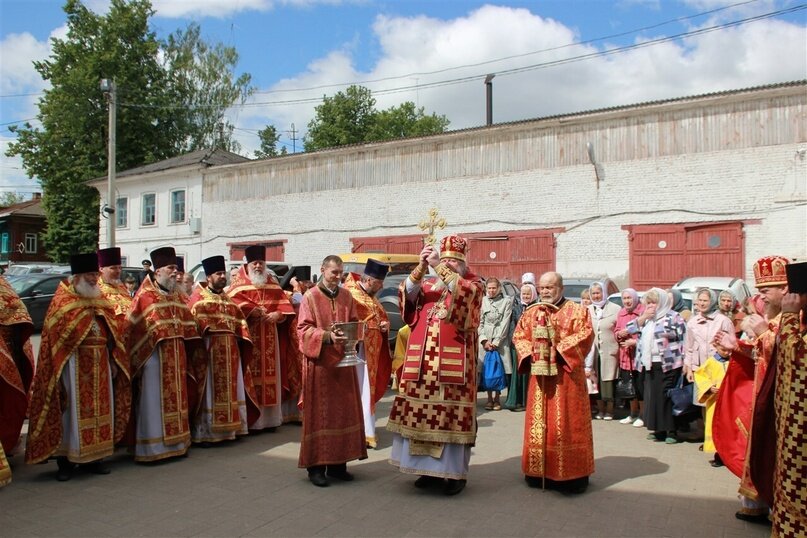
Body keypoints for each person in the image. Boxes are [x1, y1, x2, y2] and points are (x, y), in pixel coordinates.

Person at [387, 236, 484, 496]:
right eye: (446, 259)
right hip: (420, 366)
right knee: (419, 418)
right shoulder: (429, 283)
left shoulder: (473, 284)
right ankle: (425, 471)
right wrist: (420, 268)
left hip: (453, 370)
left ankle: (454, 475)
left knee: (448, 420)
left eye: (453, 260)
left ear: (463, 263)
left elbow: (465, 298)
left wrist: (439, 265)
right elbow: (406, 298)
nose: (448, 264)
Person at [25, 253, 130, 481]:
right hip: (72, 365)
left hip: (100, 363)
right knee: (70, 411)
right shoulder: (64, 300)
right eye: (89, 275)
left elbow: (113, 332)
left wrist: (113, 358)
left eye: (95, 274)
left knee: (101, 409)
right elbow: (56, 337)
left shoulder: (100, 299)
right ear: (77, 277)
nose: (94, 279)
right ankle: (65, 462)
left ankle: (95, 459)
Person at [512, 271, 594, 493]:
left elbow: (585, 335)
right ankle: (537, 472)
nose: (546, 291)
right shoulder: (531, 312)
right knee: (539, 424)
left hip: (566, 381)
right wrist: (534, 354)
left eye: (550, 287)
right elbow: (519, 336)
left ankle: (571, 477)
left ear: (561, 288)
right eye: (543, 287)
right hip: (539, 382)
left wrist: (556, 352)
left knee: (568, 425)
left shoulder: (578, 311)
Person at [126, 247, 202, 462]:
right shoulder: (145, 296)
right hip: (153, 358)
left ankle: (178, 443)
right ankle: (153, 448)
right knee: (153, 402)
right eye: (171, 268)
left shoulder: (177, 295)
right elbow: (132, 329)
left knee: (178, 399)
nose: (175, 273)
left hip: (177, 357)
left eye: (176, 268)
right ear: (157, 271)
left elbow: (188, 323)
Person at [296, 255, 366, 487]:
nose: (338, 277)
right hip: (320, 366)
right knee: (320, 416)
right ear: (323, 270)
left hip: (343, 365)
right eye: (334, 272)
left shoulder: (347, 296)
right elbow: (302, 330)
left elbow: (354, 322)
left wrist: (354, 336)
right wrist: (325, 336)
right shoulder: (310, 297)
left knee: (343, 413)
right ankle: (316, 468)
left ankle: (338, 465)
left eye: (341, 273)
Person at [228, 246, 301, 431]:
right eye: (255, 263)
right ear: (248, 264)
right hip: (250, 339)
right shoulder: (239, 284)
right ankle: (254, 422)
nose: (258, 266)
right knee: (250, 375)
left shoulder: (272, 283)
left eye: (261, 263)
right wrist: (251, 310)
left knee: (272, 375)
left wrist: (278, 315)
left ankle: (270, 421)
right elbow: (232, 304)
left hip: (270, 337)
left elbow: (285, 308)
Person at [187, 255, 256, 446]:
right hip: (209, 352)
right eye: (218, 274)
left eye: (223, 274)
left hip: (231, 351)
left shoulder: (228, 300)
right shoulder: (198, 299)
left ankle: (231, 430)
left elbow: (240, 322)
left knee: (231, 389)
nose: (223, 277)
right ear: (208, 277)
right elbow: (193, 325)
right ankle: (208, 433)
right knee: (210, 392)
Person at [768, 262, 806, 536]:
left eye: (795, 294)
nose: (790, 299)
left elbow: (799, 363)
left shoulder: (794, 320)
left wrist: (789, 317)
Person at [343, 259, 392, 449]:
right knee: (356, 392)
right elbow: (346, 322)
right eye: (379, 283)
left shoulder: (372, 298)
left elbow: (382, 319)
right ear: (370, 280)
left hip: (370, 355)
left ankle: (366, 432)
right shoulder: (350, 295)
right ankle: (356, 432)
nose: (382, 287)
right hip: (356, 355)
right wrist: (371, 326)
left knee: (366, 393)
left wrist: (384, 327)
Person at [633, 288, 687, 444]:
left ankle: (672, 430)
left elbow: (685, 339)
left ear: (662, 302)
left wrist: (686, 362)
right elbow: (629, 329)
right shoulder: (647, 319)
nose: (651, 305)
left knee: (667, 398)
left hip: (670, 364)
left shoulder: (673, 317)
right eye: (648, 302)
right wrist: (643, 317)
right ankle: (658, 429)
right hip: (650, 364)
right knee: (653, 397)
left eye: (654, 302)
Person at [0, 275, 35, 487]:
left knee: (6, 407)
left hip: (8, 353)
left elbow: (18, 311)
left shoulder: (3, 283)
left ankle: (7, 445)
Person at [694, 331, 734, 467]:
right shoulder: (710, 362)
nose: (726, 353)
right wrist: (709, 387)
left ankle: (729, 455)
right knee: (716, 426)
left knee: (729, 428)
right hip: (716, 401)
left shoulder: (733, 362)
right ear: (716, 347)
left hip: (730, 401)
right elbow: (700, 376)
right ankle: (718, 455)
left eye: (729, 350)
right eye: (723, 350)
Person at [585, 281, 621, 421]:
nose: (596, 296)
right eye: (593, 293)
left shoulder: (615, 309)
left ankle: (610, 410)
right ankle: (600, 409)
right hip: (592, 353)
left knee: (608, 381)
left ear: (604, 293)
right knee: (596, 381)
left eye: (598, 293)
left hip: (610, 351)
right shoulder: (587, 310)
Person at [684, 288, 734, 383]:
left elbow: (732, 346)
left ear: (712, 302)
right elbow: (688, 348)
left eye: (705, 301)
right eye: (700, 300)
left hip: (718, 368)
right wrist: (689, 369)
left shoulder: (723, 321)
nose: (702, 304)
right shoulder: (692, 322)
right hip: (699, 370)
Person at [479, 277, 513, 411]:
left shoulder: (506, 301)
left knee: (499, 369)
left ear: (499, 288)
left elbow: (505, 322)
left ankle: (497, 398)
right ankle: (488, 398)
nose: (491, 291)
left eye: (494, 288)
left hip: (500, 338)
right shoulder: (483, 301)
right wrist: (483, 340)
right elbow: (479, 321)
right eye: (489, 288)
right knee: (486, 369)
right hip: (485, 338)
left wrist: (496, 341)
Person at [614, 288, 645, 426]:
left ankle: (643, 415)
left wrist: (634, 342)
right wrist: (619, 334)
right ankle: (633, 413)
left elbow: (645, 333)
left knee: (640, 387)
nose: (627, 301)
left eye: (629, 298)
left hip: (639, 355)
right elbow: (616, 331)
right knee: (629, 386)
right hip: (625, 356)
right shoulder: (621, 313)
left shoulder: (642, 312)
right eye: (624, 298)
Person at [504, 282, 537, 411]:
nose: (526, 296)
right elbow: (512, 326)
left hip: (533, 346)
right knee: (517, 373)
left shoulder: (538, 308)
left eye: (528, 294)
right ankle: (516, 400)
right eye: (524, 294)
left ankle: (528, 401)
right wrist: (516, 341)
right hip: (518, 346)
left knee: (529, 374)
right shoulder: (516, 309)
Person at [98, 247, 133, 322]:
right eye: (113, 268)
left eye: (120, 268)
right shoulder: (96, 290)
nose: (118, 271)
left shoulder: (121, 287)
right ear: (101, 269)